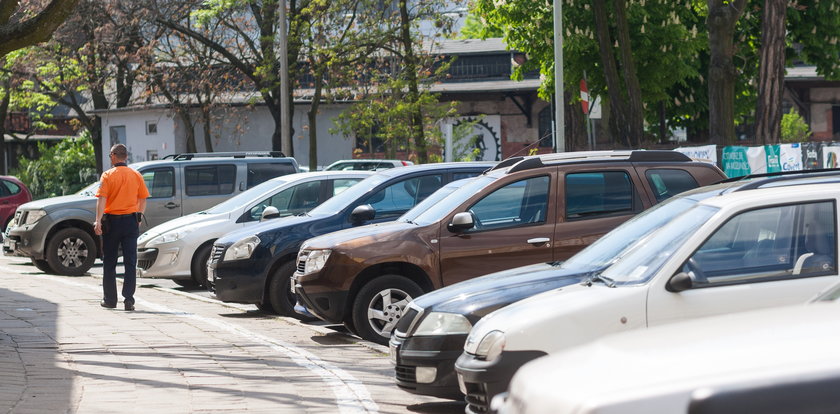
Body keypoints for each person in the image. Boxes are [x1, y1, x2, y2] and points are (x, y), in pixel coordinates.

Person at [93, 144, 150, 311]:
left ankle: (110, 300)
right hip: (131, 222)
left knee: (110, 261)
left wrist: (98, 220)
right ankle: (129, 300)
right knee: (130, 262)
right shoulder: (136, 175)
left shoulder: (108, 175)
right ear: (125, 156)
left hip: (112, 222)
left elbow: (101, 199)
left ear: (113, 156)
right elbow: (143, 199)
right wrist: (138, 217)